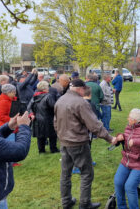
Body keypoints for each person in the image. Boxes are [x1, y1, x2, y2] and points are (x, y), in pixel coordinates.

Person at [54, 79, 117, 209]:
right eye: (84, 89)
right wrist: (109, 138)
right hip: (78, 143)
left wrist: (61, 136)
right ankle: (85, 203)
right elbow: (94, 125)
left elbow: (55, 122)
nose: (86, 92)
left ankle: (66, 202)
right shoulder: (81, 103)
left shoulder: (60, 100)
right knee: (87, 173)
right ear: (80, 88)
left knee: (65, 173)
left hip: (64, 142)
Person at [114, 109, 140, 209]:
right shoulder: (130, 126)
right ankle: (122, 207)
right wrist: (121, 136)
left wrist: (136, 141)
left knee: (129, 186)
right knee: (118, 182)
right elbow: (127, 136)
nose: (127, 119)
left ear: (135, 120)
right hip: (128, 159)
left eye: (129, 118)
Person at [27, 81, 58, 154]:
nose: (48, 88)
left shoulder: (35, 96)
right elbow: (53, 106)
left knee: (40, 135)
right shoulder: (48, 96)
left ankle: (41, 150)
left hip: (37, 119)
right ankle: (53, 149)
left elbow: (29, 107)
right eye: (47, 87)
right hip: (48, 118)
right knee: (52, 135)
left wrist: (31, 114)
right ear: (44, 89)